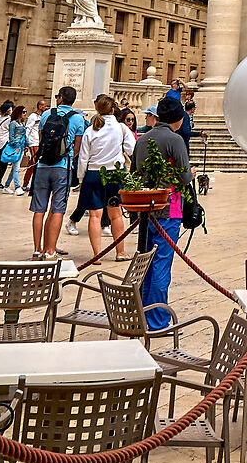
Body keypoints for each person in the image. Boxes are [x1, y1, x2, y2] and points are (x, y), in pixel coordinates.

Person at [135, 93, 196, 331]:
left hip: (144, 209)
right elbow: (183, 176)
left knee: (146, 263)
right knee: (161, 264)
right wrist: (190, 172)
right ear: (177, 119)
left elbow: (136, 172)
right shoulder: (175, 140)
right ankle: (158, 319)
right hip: (168, 209)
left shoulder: (143, 139)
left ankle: (143, 313)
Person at [27, 86, 84, 258]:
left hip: (43, 166)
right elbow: (77, 147)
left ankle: (37, 248)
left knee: (39, 209)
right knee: (58, 209)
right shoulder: (77, 119)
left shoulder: (46, 115)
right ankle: (50, 250)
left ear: (60, 98)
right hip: (62, 167)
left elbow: (41, 137)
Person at [77, 96, 132, 262]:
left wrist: (81, 178)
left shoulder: (91, 130)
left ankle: (97, 255)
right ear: (113, 109)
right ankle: (120, 252)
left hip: (94, 174)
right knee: (116, 215)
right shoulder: (121, 128)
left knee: (95, 216)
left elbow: (83, 158)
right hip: (115, 173)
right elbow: (131, 148)